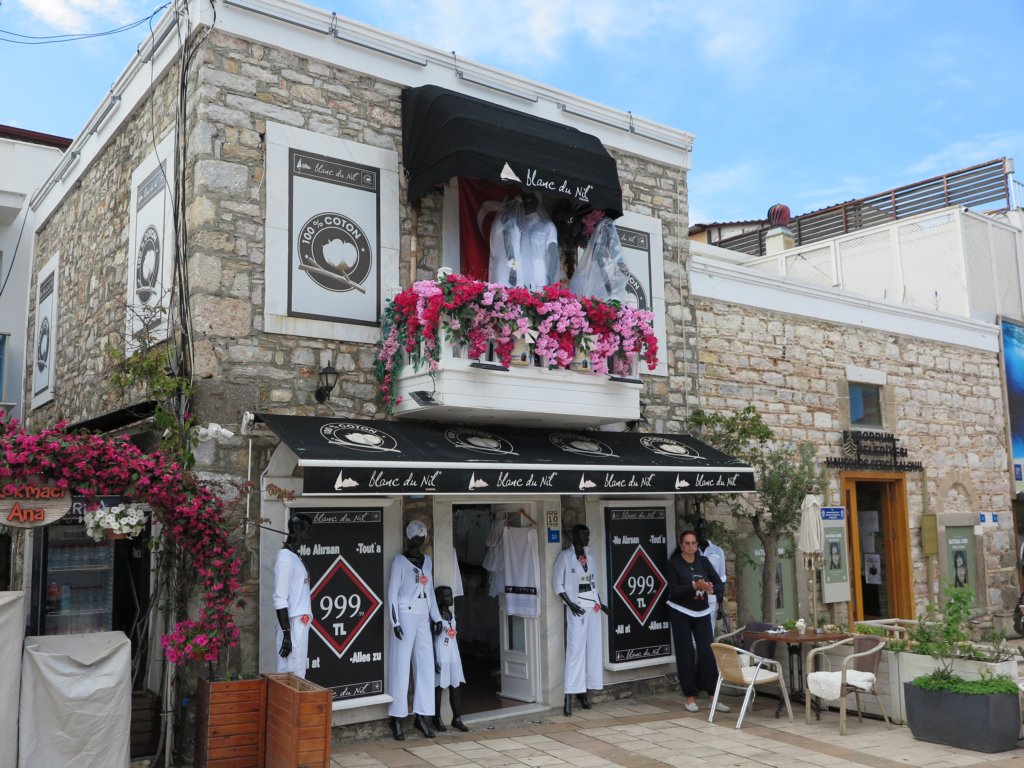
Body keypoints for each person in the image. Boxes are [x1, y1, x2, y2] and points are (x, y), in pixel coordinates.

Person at [387, 520, 443, 741]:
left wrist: (436, 617)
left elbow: (430, 591)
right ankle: (397, 716)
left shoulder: (427, 561)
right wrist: (395, 622)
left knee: (426, 666)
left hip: (423, 615)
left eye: (422, 538)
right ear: (408, 538)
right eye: (415, 538)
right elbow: (392, 592)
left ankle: (422, 715)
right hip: (405, 614)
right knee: (401, 666)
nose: (418, 542)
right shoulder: (400, 562)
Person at [665, 530, 727, 713]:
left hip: (702, 612)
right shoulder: (674, 564)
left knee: (707, 653)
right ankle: (690, 697)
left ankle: (713, 696)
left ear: (697, 545)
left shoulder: (703, 561)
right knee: (686, 653)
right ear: (681, 545)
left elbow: (719, 584)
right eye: (687, 543)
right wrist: (693, 586)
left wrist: (710, 588)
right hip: (680, 611)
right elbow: (673, 591)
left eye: (693, 543)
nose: (690, 546)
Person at [552, 523, 608, 716]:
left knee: (592, 650)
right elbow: (557, 584)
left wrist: (601, 604)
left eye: (588, 535)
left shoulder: (589, 558)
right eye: (584, 536)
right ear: (575, 537)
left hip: (593, 607)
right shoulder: (565, 557)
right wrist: (570, 604)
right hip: (577, 607)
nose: (587, 539)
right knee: (575, 651)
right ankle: (568, 695)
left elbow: (594, 584)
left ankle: (583, 692)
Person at [273, 512, 314, 678]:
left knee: (299, 675)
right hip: (293, 624)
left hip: (300, 624)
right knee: (291, 676)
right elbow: (279, 598)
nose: (311, 532)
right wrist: (287, 634)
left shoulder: (295, 557)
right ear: (297, 529)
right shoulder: (285, 559)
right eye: (307, 529)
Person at [432, 585, 469, 733]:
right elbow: (430, 639)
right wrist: (434, 659)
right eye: (447, 596)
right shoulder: (435, 616)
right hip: (441, 653)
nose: (450, 598)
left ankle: (457, 718)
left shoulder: (452, 615)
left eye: (451, 594)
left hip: (453, 654)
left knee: (456, 686)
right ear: (440, 598)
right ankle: (436, 718)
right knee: (439, 688)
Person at [696, 520, 727, 634]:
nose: (702, 532)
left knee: (709, 632)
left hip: (711, 597)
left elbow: (722, 579)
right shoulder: (690, 551)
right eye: (699, 530)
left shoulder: (718, 551)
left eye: (704, 530)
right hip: (694, 597)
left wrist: (720, 604)